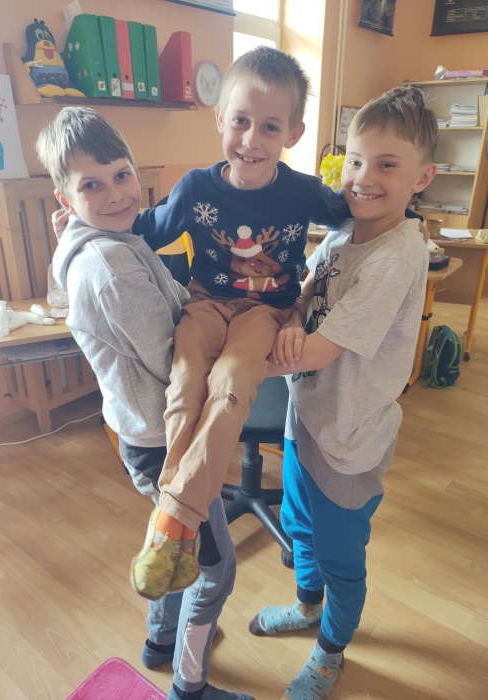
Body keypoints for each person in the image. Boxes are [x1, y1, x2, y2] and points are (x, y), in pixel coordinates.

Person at [126, 47, 426, 601]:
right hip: (205, 303)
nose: (251, 139)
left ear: (293, 133)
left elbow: (356, 209)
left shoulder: (302, 191)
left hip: (264, 312)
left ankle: (172, 523)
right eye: (240, 121)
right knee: (184, 385)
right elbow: (146, 227)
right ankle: (180, 517)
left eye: (270, 127)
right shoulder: (195, 188)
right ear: (220, 118)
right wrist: (85, 222)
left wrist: (409, 213)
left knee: (228, 386)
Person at [36, 106, 254, 700]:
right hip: (164, 441)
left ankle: (162, 640)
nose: (115, 194)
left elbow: (171, 299)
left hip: (144, 431)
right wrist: (239, 342)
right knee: (215, 567)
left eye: (121, 174)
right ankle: (189, 683)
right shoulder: (110, 266)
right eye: (92, 185)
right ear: (66, 198)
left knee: (174, 542)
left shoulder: (105, 239)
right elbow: (172, 360)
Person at [248, 85, 438, 699]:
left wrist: (233, 367)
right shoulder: (340, 236)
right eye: (355, 160)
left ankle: (331, 652)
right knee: (299, 526)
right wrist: (291, 315)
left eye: (387, 164)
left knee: (339, 557)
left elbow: (323, 349)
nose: (364, 178)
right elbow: (303, 298)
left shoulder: (396, 256)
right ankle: (308, 608)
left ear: (422, 177)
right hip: (306, 417)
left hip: (349, 440)